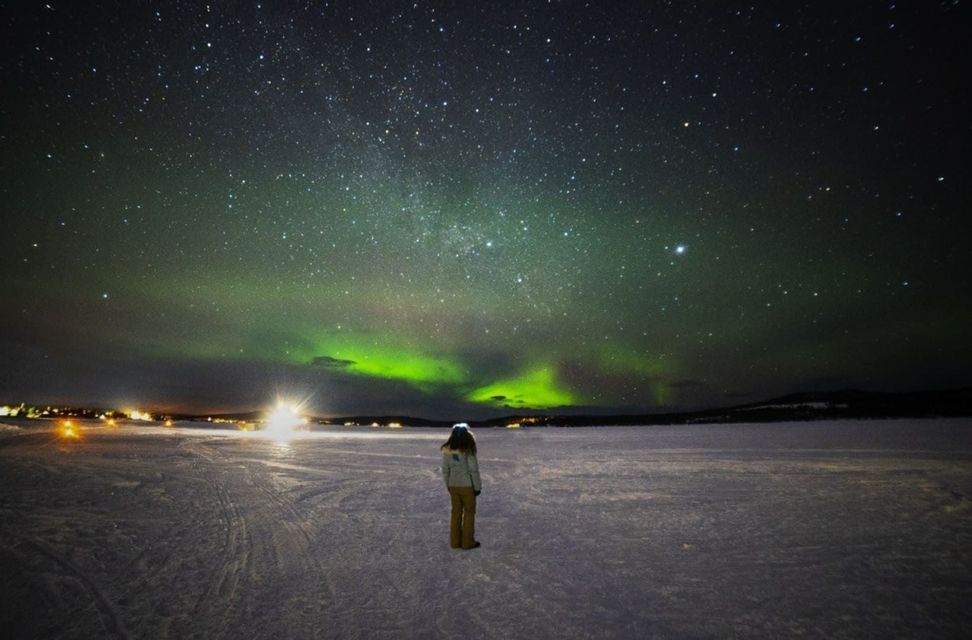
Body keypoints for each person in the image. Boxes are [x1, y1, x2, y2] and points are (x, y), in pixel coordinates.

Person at [441, 423, 482, 550]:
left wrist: (448, 484)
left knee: (456, 513)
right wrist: (477, 487)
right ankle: (467, 543)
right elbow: (473, 469)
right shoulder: (468, 449)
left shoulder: (447, 450)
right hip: (467, 486)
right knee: (469, 513)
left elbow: (445, 470)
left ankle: (455, 542)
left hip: (453, 486)